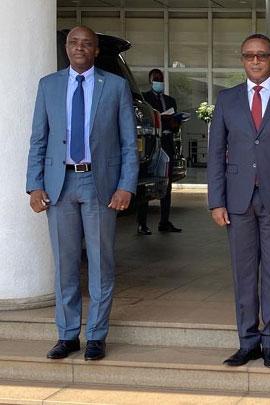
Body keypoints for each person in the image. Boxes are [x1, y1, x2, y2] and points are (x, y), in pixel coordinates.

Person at [25, 26, 138, 361]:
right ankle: (67, 334)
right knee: (65, 263)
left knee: (101, 262)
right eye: (74, 43)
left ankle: (97, 336)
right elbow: (38, 140)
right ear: (66, 47)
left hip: (98, 184)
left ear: (96, 50)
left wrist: (126, 185)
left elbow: (128, 144)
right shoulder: (49, 85)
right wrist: (34, 184)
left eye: (86, 44)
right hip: (59, 185)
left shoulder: (115, 86)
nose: (79, 48)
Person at [207, 33, 270, 369]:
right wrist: (215, 201)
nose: (255, 61)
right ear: (242, 59)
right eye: (249, 55)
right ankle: (247, 341)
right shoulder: (226, 100)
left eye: (262, 55)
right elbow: (214, 156)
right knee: (243, 273)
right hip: (237, 201)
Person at [136, 68, 182, 235]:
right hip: (151, 144)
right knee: (146, 181)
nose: (159, 82)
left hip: (167, 142)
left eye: (161, 79)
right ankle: (142, 223)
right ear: (150, 81)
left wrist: (175, 122)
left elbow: (176, 127)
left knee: (166, 183)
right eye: (156, 79)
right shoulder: (144, 99)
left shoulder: (171, 100)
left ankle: (164, 221)